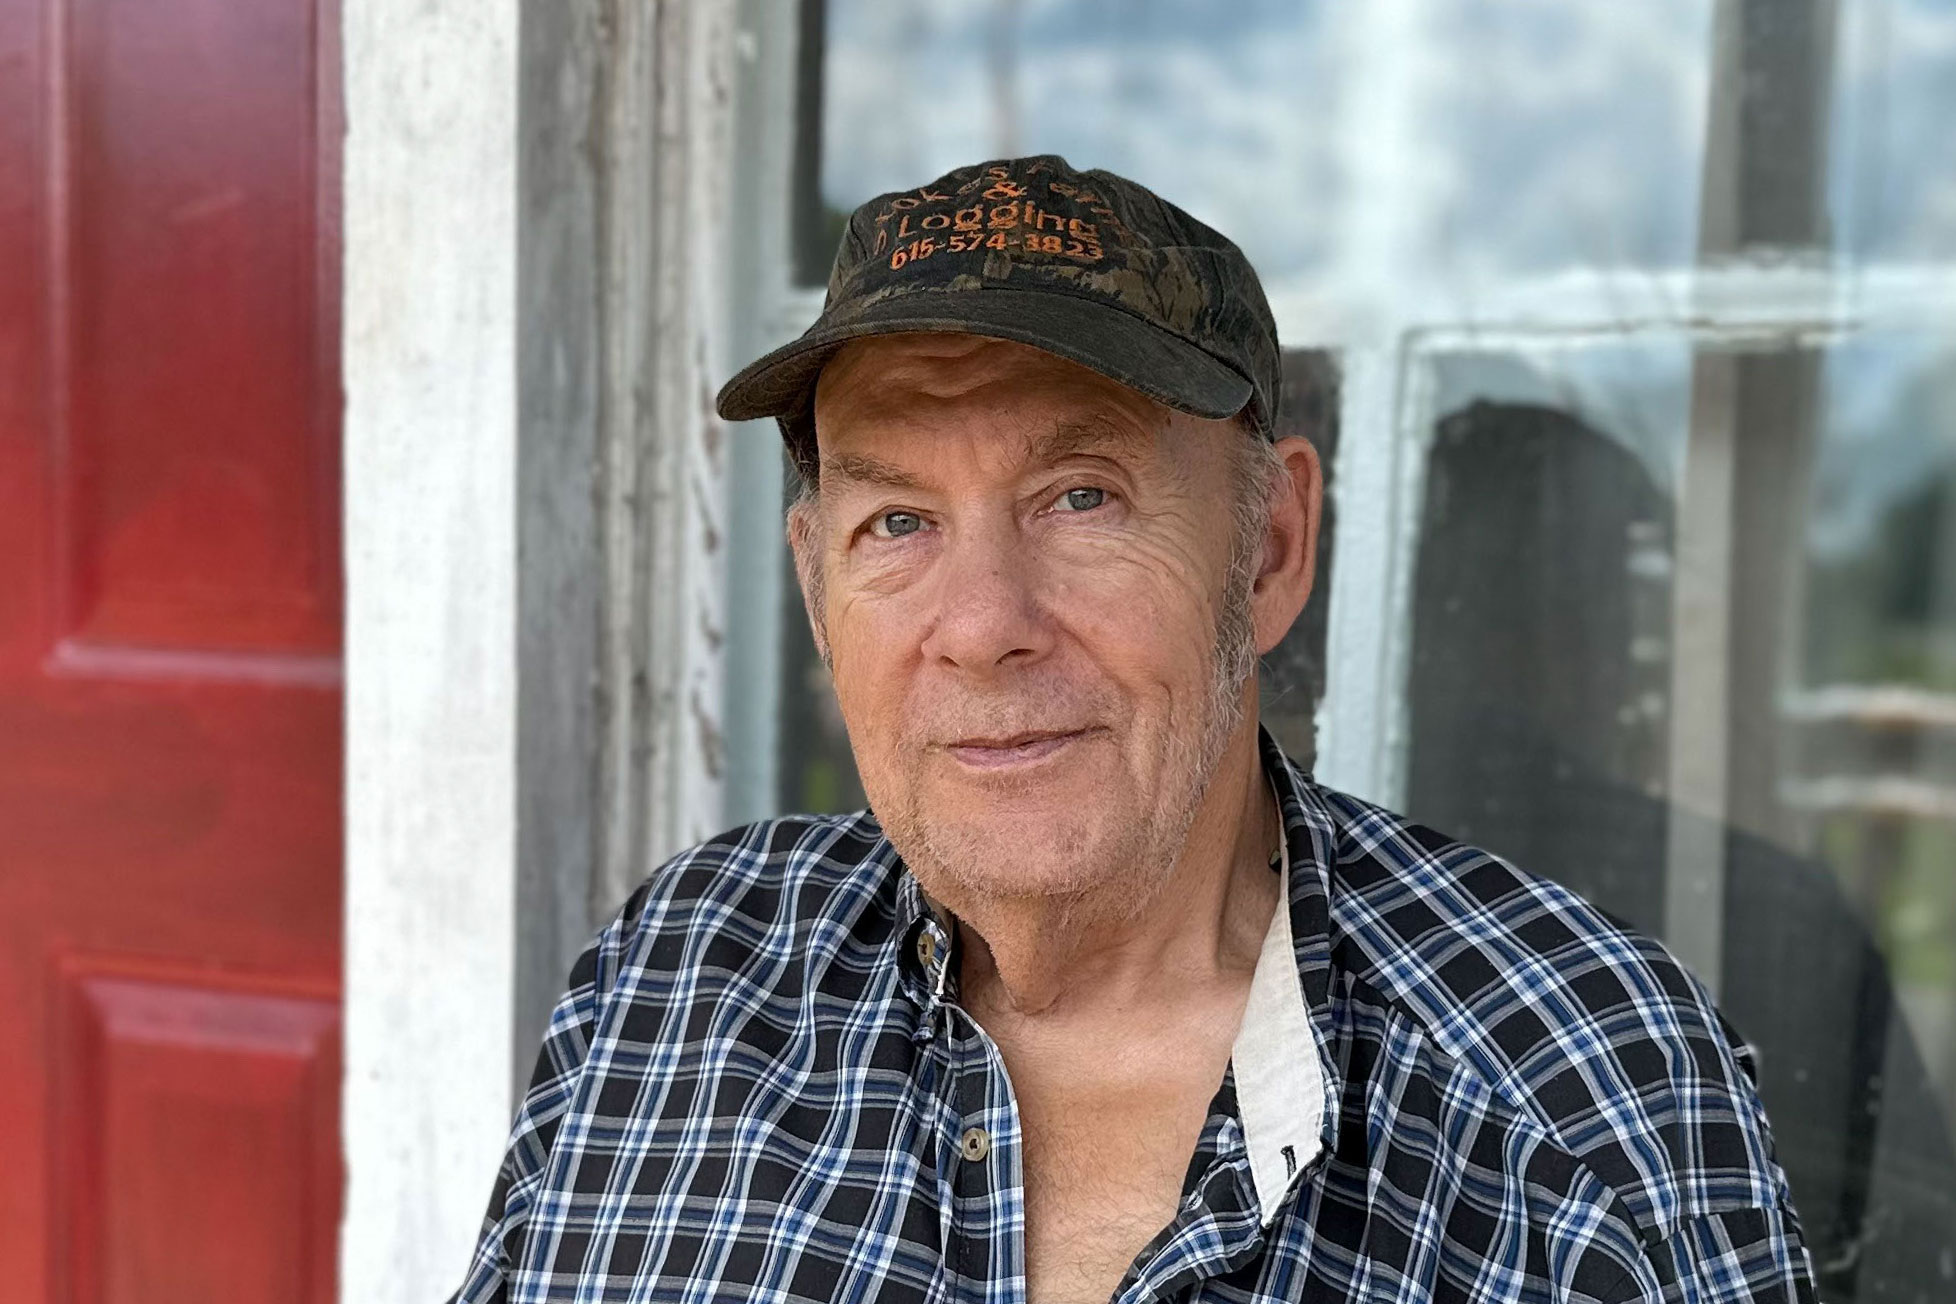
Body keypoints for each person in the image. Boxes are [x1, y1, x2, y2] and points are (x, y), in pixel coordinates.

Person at [453, 156, 1817, 1304]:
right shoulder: (673, 981)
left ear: (1272, 545)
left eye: (1083, 497)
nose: (982, 624)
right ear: (817, 588)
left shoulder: (1579, 1090)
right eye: (898, 523)